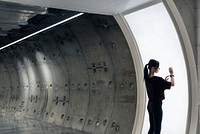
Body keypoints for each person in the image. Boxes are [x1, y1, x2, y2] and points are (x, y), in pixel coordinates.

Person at [143, 59, 175, 134]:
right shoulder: (158, 80)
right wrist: (171, 74)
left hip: (150, 105)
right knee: (157, 129)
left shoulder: (147, 79)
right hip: (156, 106)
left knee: (152, 128)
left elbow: (155, 89)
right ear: (153, 68)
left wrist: (163, 81)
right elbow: (172, 84)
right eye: (158, 67)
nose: (159, 69)